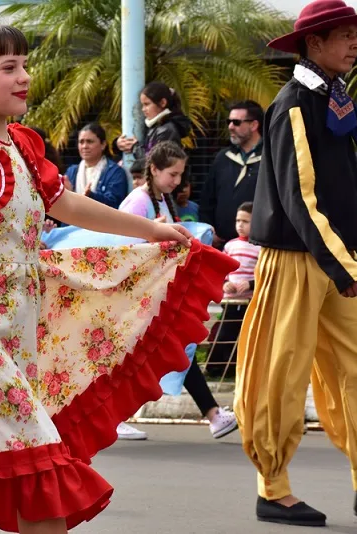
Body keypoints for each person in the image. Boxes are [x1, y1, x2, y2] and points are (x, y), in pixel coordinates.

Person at [0, 22, 237, 534]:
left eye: (24, 65)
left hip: (23, 325)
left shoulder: (23, 143)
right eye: (9, 67)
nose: (24, 77)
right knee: (36, 473)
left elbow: (68, 204)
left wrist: (154, 231)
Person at [234, 1, 357, 527]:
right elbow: (301, 199)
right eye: (343, 35)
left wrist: (347, 264)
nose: (354, 44)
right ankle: (272, 488)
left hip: (338, 259)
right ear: (314, 44)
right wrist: (346, 268)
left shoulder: (336, 98)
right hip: (296, 259)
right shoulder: (294, 102)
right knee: (280, 375)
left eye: (354, 35)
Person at [119, 141, 238, 439]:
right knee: (155, 351)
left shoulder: (159, 200)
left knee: (176, 348)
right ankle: (212, 414)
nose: (176, 181)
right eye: (172, 174)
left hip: (152, 293)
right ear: (154, 169)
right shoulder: (140, 201)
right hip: (136, 295)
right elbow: (122, 247)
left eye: (180, 175)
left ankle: (213, 414)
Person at [199, 101, 264, 250]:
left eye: (236, 122)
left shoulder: (270, 158)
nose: (230, 127)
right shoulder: (223, 158)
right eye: (229, 122)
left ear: (254, 125)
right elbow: (208, 199)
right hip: (221, 246)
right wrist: (208, 230)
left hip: (255, 247)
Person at [206, 202, 259, 379]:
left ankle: (237, 370)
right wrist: (224, 284)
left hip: (249, 301)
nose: (240, 225)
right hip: (230, 300)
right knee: (224, 333)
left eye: (246, 221)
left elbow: (265, 275)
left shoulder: (259, 248)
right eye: (238, 220)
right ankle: (215, 368)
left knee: (243, 336)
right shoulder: (230, 246)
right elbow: (221, 271)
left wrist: (251, 284)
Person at [116, 82, 191, 158]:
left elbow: (156, 160)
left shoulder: (167, 130)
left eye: (147, 104)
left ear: (163, 103)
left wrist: (134, 147)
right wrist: (119, 144)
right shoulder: (155, 126)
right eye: (143, 105)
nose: (143, 109)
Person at [64, 123, 129, 209]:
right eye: (81, 142)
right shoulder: (71, 171)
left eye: (89, 141)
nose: (84, 146)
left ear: (103, 144)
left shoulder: (115, 172)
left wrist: (90, 196)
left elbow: (114, 204)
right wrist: (67, 193)